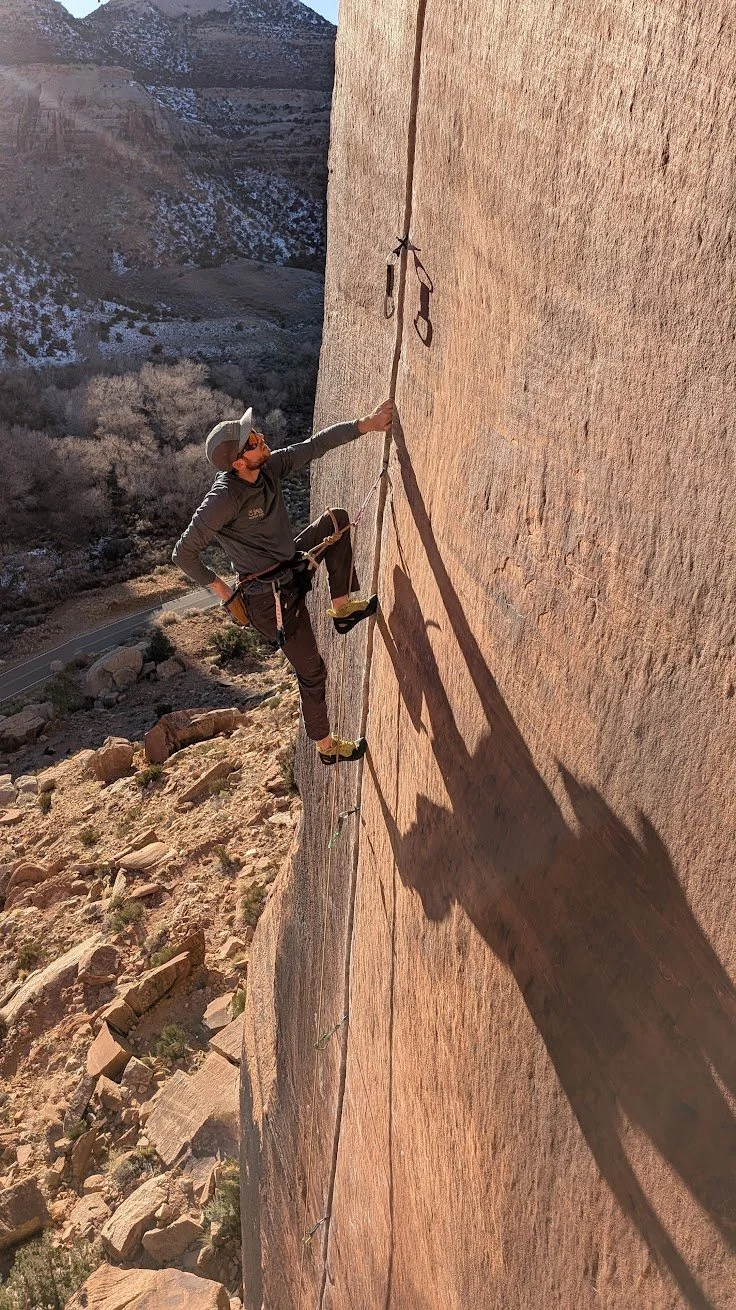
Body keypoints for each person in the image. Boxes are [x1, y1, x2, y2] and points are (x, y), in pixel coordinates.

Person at [172, 399, 393, 764]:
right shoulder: (224, 498)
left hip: (290, 566)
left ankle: (342, 610)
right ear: (238, 462)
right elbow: (183, 553)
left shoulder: (268, 467)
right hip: (268, 601)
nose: (261, 439)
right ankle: (326, 748)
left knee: (335, 522)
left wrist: (365, 424)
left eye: (255, 434)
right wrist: (224, 591)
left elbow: (314, 446)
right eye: (252, 441)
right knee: (313, 672)